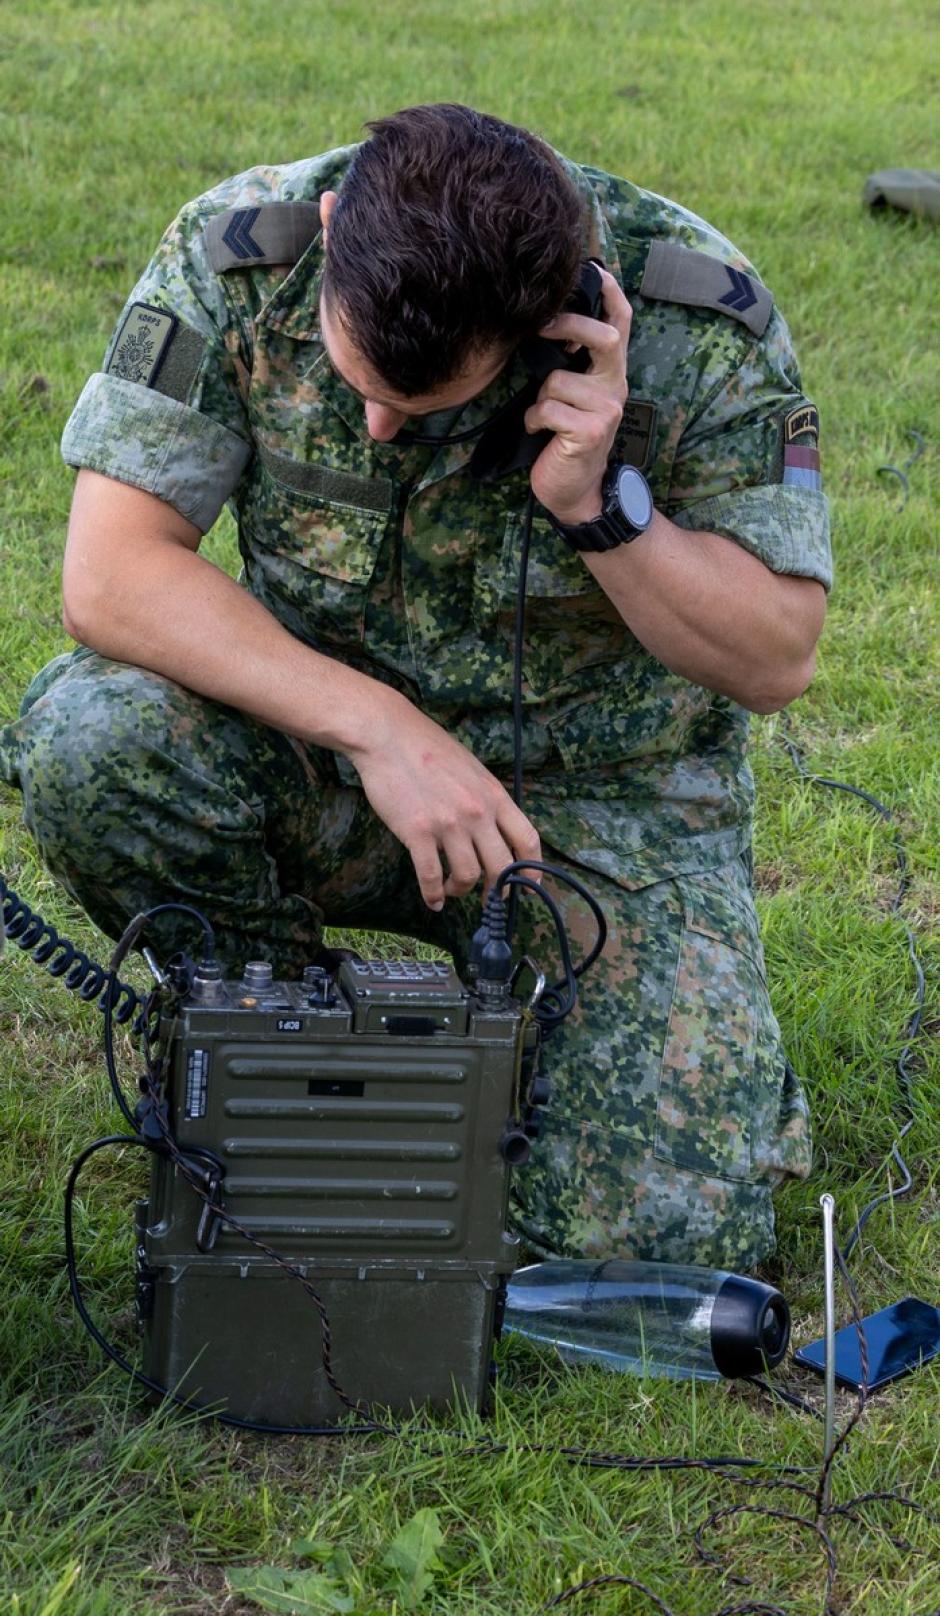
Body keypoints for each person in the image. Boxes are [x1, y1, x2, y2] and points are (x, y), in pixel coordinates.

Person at [0, 104, 830, 1268]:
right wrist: (379, 728)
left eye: (426, 407)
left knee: (655, 1247)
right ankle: (284, 1052)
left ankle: (550, 1055)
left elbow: (775, 655)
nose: (380, 426)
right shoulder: (247, 254)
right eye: (360, 385)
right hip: (328, 763)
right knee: (95, 739)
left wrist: (601, 506)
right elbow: (109, 576)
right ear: (337, 230)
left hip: (594, 803)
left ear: (554, 333)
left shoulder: (698, 314)